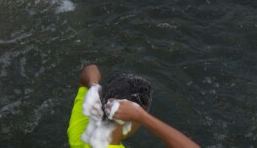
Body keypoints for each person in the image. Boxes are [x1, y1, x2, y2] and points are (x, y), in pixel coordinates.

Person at [67, 63, 200, 148]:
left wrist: (94, 86)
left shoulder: (80, 128)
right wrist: (142, 117)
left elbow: (90, 69)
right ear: (130, 121)